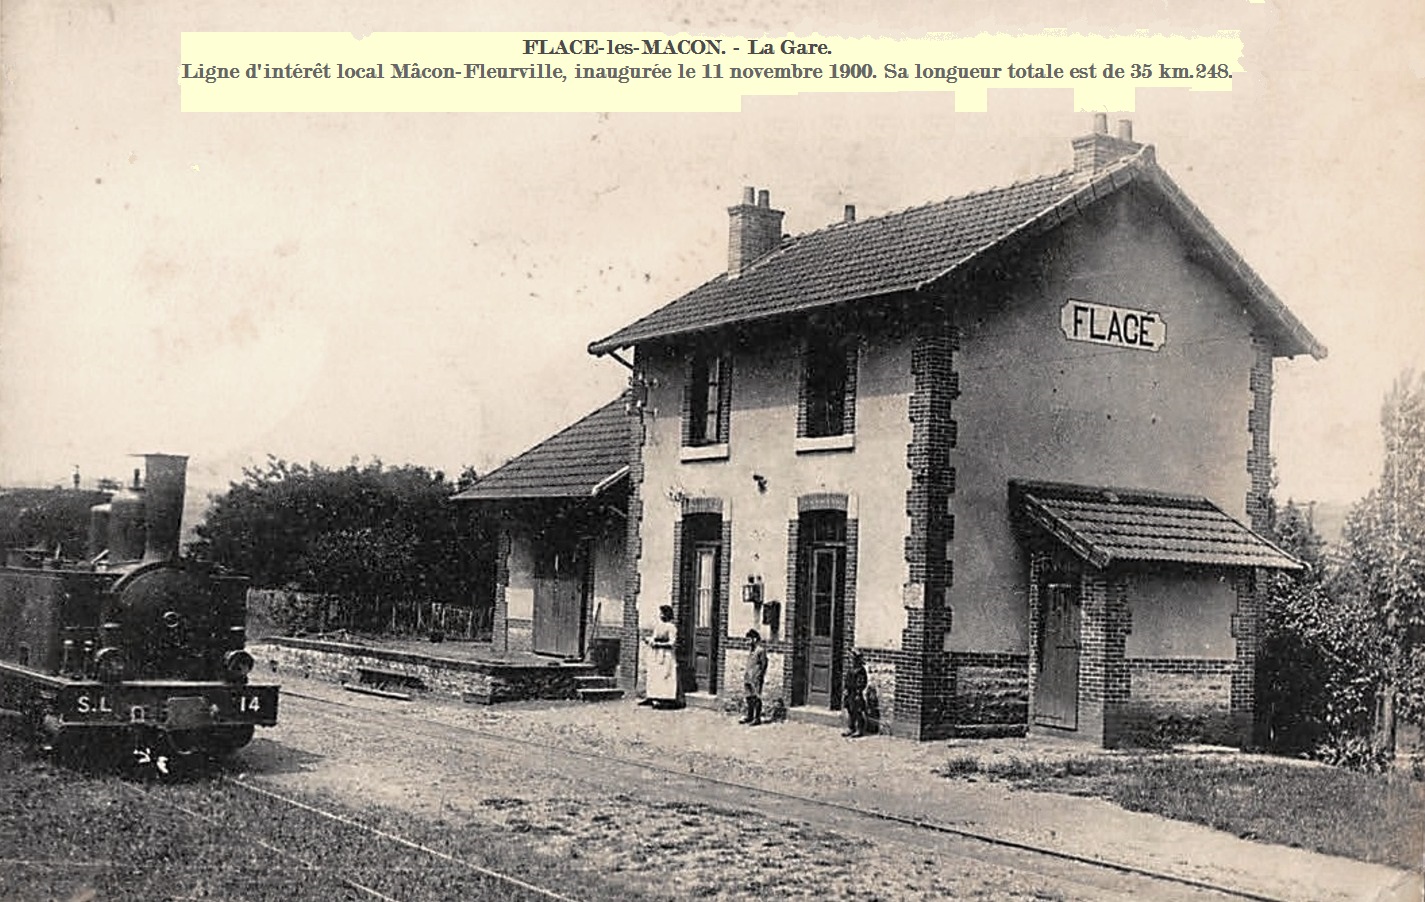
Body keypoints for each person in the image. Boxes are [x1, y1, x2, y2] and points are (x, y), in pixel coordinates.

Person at [643, 604, 682, 709]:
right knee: (656, 674)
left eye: (662, 613)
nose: (660, 615)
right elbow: (654, 637)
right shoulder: (658, 626)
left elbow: (672, 643)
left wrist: (659, 644)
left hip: (666, 654)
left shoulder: (671, 627)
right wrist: (649, 640)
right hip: (656, 653)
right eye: (660, 613)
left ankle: (666, 699)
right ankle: (653, 697)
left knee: (666, 675)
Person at [740, 629, 768, 726]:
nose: (747, 642)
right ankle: (750, 716)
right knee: (749, 697)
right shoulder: (751, 650)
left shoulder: (760, 650)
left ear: (755, 639)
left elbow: (764, 664)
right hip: (748, 676)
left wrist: (760, 675)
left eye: (749, 639)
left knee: (756, 697)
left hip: (756, 677)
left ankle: (757, 718)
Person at [843, 650, 868, 737]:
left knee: (858, 710)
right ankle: (851, 727)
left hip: (856, 693)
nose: (851, 661)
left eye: (853, 659)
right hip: (850, 692)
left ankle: (859, 729)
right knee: (850, 710)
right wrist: (846, 689)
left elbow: (861, 683)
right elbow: (847, 680)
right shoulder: (851, 670)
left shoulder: (860, 670)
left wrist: (858, 692)